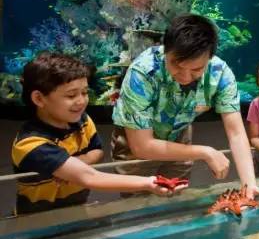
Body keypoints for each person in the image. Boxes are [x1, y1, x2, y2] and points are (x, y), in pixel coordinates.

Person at [111, 14, 258, 198]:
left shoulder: (220, 73)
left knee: (175, 197)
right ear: (166, 50)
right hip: (136, 143)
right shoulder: (142, 72)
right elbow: (142, 146)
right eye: (177, 65)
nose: (185, 76)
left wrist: (249, 183)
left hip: (179, 135)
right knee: (136, 202)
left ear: (210, 57)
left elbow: (236, 132)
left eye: (196, 69)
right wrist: (205, 152)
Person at [12, 53, 170, 215]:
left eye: (85, 92)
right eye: (71, 95)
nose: (81, 101)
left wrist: (74, 165)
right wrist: (149, 183)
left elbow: (97, 151)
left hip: (76, 208)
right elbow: (90, 177)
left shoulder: (82, 120)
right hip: (39, 217)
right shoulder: (30, 144)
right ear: (39, 99)